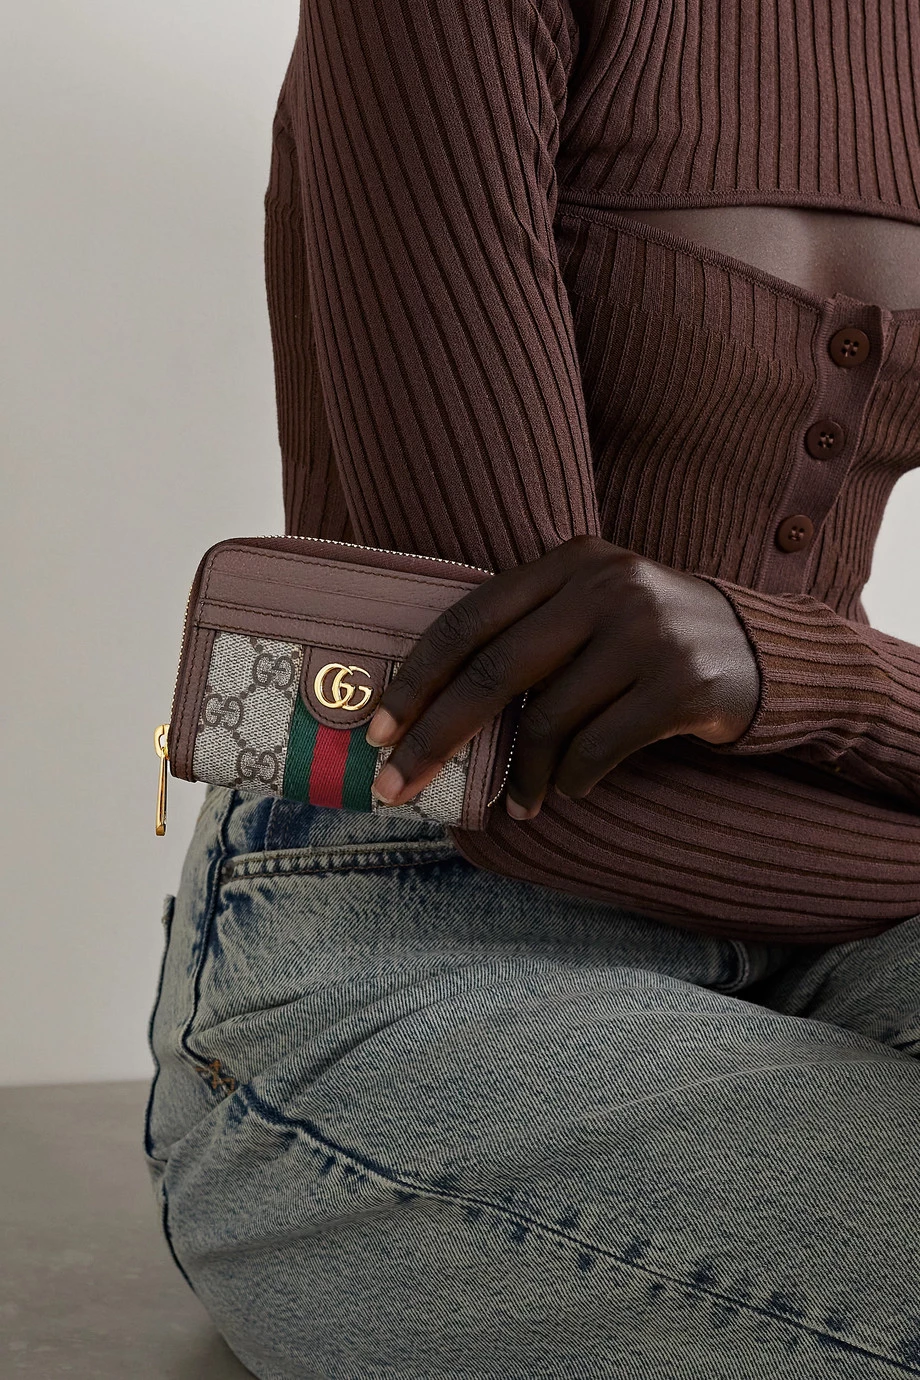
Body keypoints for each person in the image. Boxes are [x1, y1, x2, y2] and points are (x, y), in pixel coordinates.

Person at [145, 1, 920, 1375]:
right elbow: (516, 769)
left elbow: (777, 687)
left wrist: (792, 672)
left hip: (832, 900)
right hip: (410, 923)